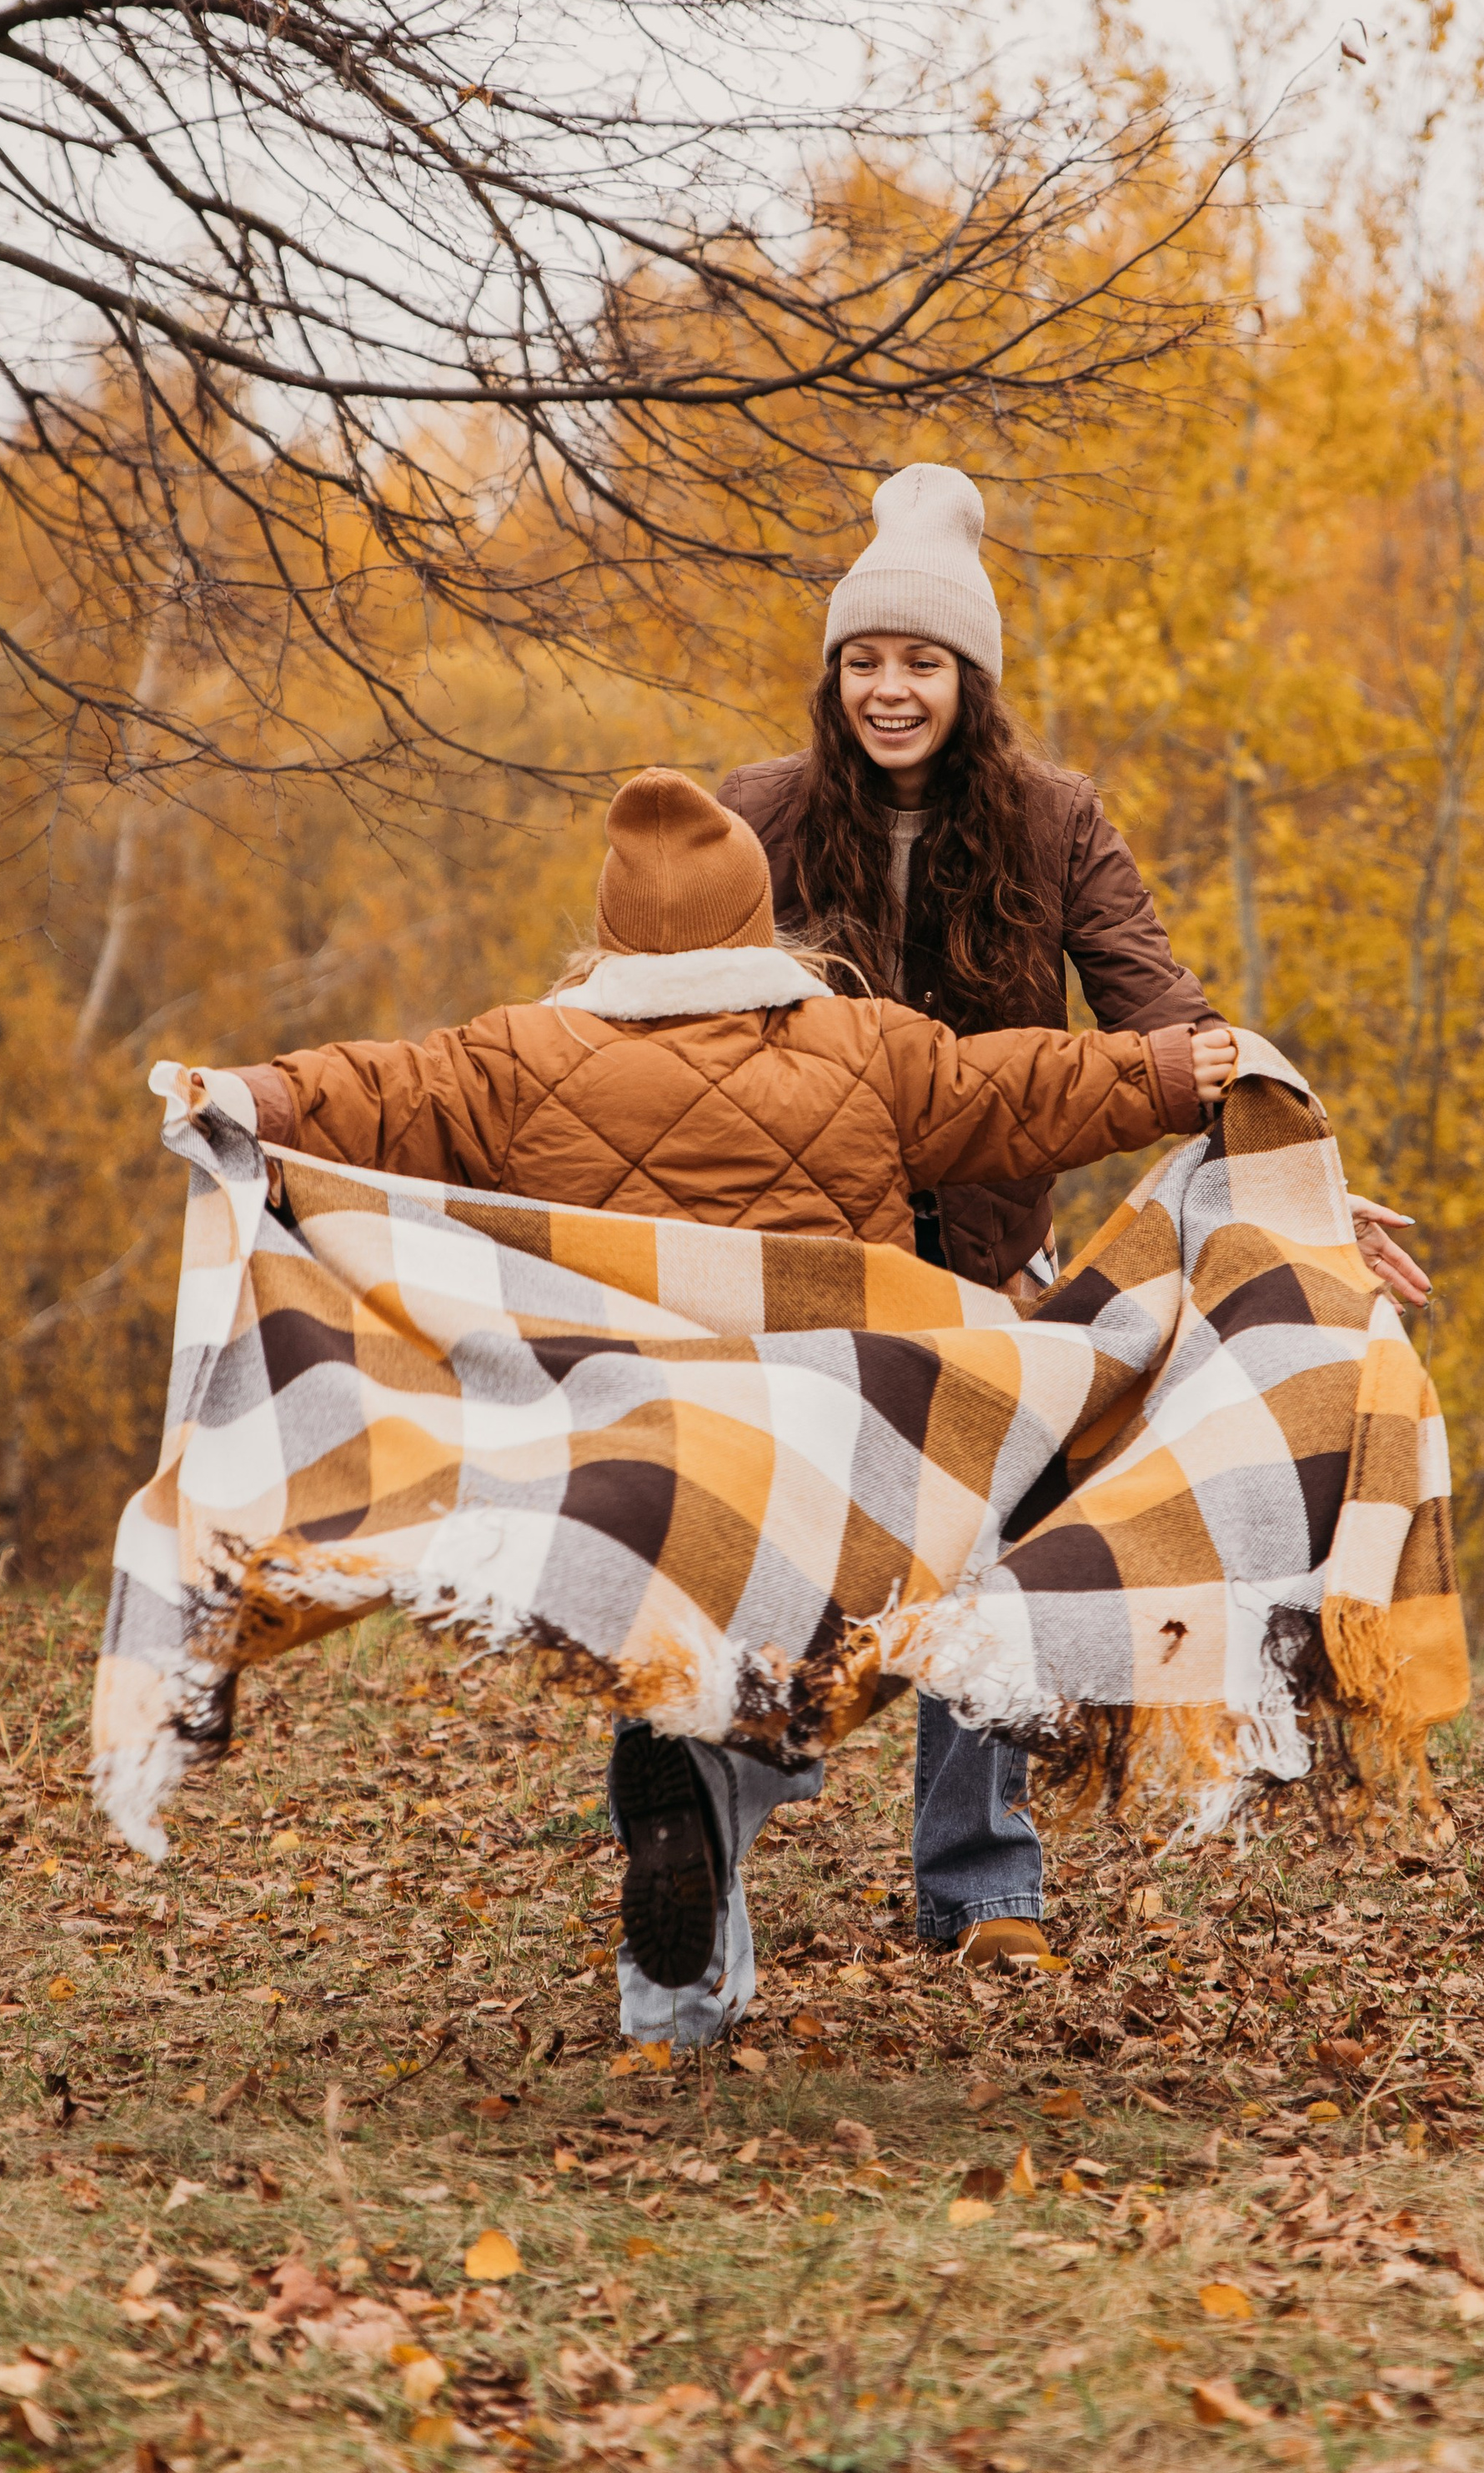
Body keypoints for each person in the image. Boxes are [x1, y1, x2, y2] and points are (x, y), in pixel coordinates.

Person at [232, 765, 1237, 2042]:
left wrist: (243, 1100)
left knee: (685, 1673)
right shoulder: (859, 1045)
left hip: (633, 1445)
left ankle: (676, 1996)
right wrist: (1168, 1069)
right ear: (761, 924)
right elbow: (1021, 1089)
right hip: (828, 1441)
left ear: (606, 933)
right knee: (807, 1670)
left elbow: (366, 1093)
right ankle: (726, 1819)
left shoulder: (520, 1056)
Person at [716, 463, 1429, 1975]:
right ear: (832, 673)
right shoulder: (758, 819)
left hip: (988, 1268)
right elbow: (662, 1028)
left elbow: (1165, 1014)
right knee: (773, 1564)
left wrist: (1298, 1187)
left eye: (921, 664)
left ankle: (981, 1891)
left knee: (993, 1560)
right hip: (798, 1264)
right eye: (866, 661)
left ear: (971, 681)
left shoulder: (1052, 821)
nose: (890, 691)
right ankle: (699, 1865)